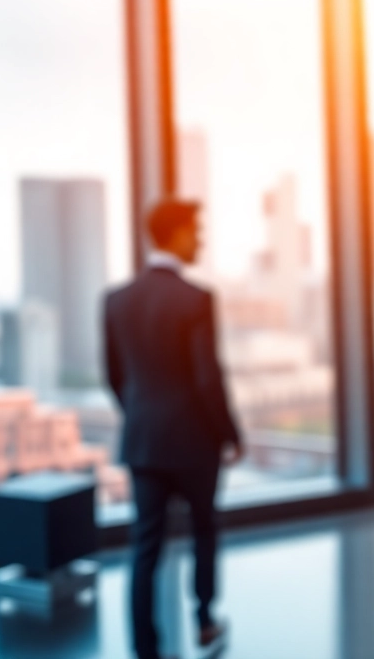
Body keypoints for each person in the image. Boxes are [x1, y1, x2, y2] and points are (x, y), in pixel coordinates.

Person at [105, 198, 242, 659]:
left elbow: (114, 377)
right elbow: (207, 376)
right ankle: (204, 621)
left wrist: (142, 415)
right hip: (193, 442)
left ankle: (145, 647)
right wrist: (229, 432)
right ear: (176, 232)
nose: (199, 240)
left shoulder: (117, 300)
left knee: (145, 546)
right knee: (204, 529)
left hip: (144, 440)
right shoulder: (196, 299)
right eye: (195, 230)